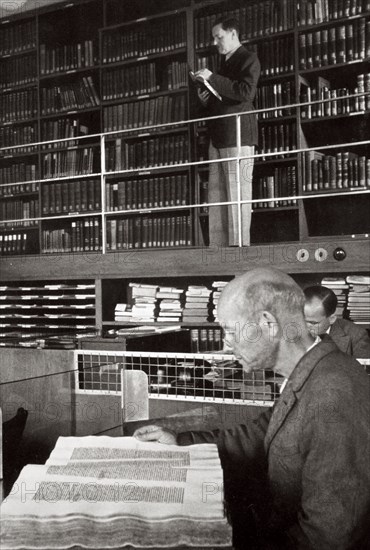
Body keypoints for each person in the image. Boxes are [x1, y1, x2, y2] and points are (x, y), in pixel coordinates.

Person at [135, 268, 370, 549]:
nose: (226, 344)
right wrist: (181, 442)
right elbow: (260, 433)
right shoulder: (311, 371)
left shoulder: (333, 394)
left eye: (231, 332)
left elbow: (328, 537)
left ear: (268, 324)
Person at [195, 17, 260, 247]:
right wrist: (206, 99)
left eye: (218, 36)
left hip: (238, 135)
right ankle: (219, 252)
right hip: (220, 136)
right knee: (218, 198)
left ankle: (238, 249)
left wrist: (212, 77)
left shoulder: (248, 58)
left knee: (238, 197)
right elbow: (224, 96)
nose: (215, 42)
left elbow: (244, 93)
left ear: (233, 33)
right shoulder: (224, 64)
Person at [304, 285, 370, 358]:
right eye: (301, 320)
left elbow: (360, 369)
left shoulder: (357, 337)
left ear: (332, 319)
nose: (305, 327)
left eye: (313, 323)